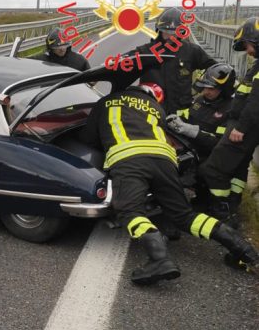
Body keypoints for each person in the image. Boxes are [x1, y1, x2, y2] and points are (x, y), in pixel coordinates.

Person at [83, 82, 258, 285]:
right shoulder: (154, 106)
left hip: (129, 158)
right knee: (184, 216)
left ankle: (159, 260)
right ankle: (246, 253)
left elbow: (88, 139)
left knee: (129, 212)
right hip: (164, 159)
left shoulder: (106, 102)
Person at [200, 17, 259, 221]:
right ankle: (233, 206)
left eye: (249, 45)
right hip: (247, 126)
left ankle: (221, 211)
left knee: (213, 169)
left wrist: (240, 128)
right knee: (239, 167)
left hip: (245, 127)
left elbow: (256, 102)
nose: (248, 51)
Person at [135, 7, 216, 116]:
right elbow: (121, 68)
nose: (171, 37)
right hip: (151, 113)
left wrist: (200, 86)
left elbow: (215, 68)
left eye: (175, 33)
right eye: (167, 33)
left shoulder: (191, 51)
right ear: (159, 30)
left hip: (181, 116)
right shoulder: (144, 52)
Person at [166, 63, 235, 162]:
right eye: (205, 87)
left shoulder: (230, 110)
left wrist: (193, 132)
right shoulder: (201, 100)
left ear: (224, 89)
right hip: (186, 150)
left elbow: (219, 143)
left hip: (207, 160)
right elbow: (188, 116)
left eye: (211, 89)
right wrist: (176, 120)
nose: (206, 91)